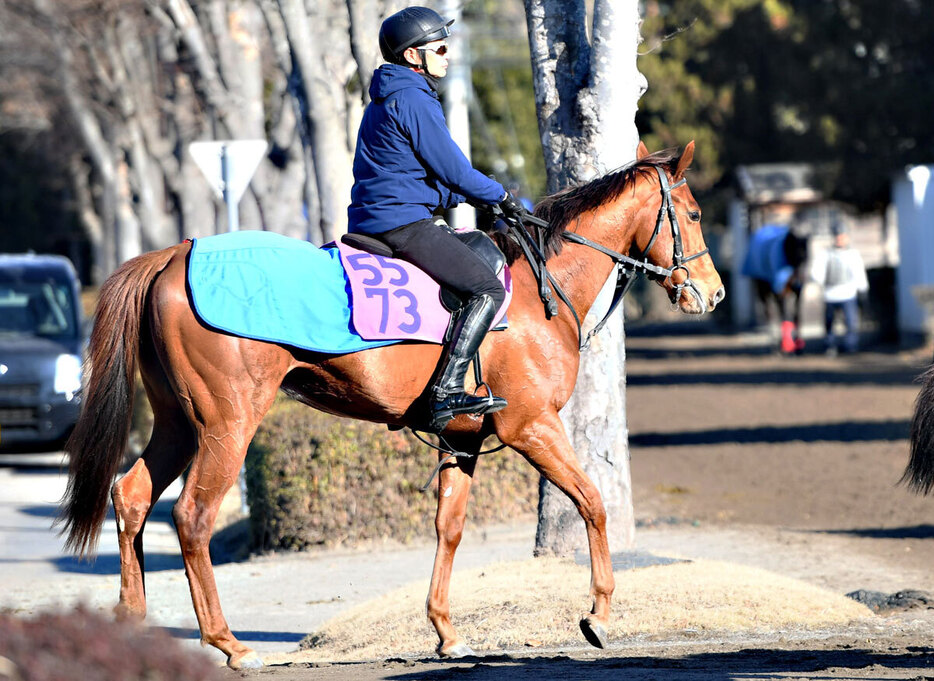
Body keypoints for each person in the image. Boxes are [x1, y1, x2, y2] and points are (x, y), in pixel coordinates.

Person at [347, 6, 526, 432]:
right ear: (414, 56)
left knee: (481, 251)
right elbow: (455, 171)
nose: (448, 55)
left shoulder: (396, 94)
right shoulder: (411, 98)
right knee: (485, 287)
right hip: (402, 224)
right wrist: (501, 195)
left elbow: (416, 177)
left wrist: (482, 199)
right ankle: (445, 393)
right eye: (440, 47)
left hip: (391, 214)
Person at [810, 226, 869, 355]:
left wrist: (863, 288)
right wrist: (819, 282)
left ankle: (850, 346)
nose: (840, 239)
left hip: (848, 293)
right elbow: (817, 273)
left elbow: (859, 272)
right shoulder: (825, 254)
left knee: (850, 322)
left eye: (842, 236)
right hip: (830, 294)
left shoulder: (852, 254)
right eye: (837, 236)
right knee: (829, 323)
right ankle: (830, 346)